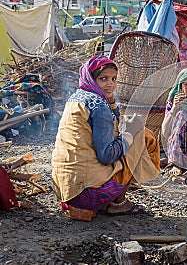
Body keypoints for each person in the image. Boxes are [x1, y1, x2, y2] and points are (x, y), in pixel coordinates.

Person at [52, 55, 160, 221]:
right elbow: (106, 155)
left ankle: (109, 200)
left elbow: (112, 123)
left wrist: (111, 101)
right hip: (89, 193)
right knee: (144, 137)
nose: (110, 84)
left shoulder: (77, 98)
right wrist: (130, 133)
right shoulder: (98, 105)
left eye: (114, 79)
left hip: (66, 189)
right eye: (103, 79)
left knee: (129, 137)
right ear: (92, 79)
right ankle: (117, 203)